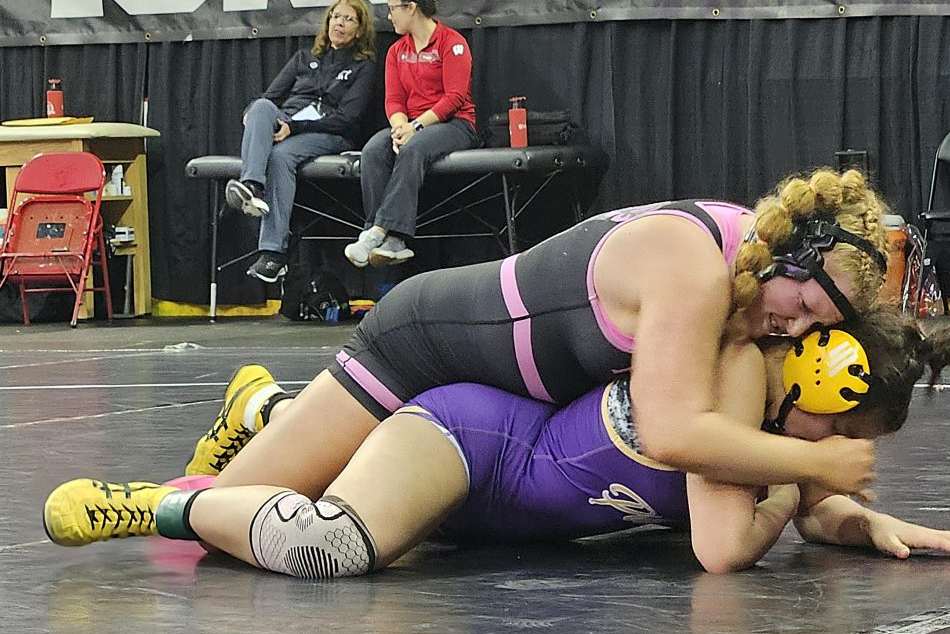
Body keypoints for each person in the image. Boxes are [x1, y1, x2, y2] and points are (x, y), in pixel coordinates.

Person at [43, 308, 950, 577]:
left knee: (342, 514)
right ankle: (150, 505)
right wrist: (806, 484)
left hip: (483, 512)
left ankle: (263, 414)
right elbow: (722, 544)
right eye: (845, 431)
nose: (831, 445)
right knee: (333, 545)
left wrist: (862, 519)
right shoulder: (728, 393)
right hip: (471, 441)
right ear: (826, 380)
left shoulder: (780, 424)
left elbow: (802, 503)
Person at [185, 168, 891, 503]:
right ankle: (168, 483)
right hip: (419, 344)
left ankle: (266, 407)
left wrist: (855, 518)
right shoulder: (696, 271)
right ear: (793, 254)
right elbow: (675, 435)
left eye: (816, 329)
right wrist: (818, 471)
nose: (794, 330)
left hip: (485, 382)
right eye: (803, 307)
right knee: (226, 506)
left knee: (315, 486)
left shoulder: (745, 260)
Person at [223, 0, 377, 283]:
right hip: (287, 122)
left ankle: (273, 253)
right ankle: (252, 185)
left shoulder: (363, 67)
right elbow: (269, 97)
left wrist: (294, 129)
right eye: (336, 16)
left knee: (281, 157)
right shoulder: (305, 58)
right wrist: (253, 114)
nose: (339, 23)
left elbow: (348, 119)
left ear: (360, 30)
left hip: (329, 133)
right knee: (260, 107)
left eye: (348, 19)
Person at [344, 0, 477, 268]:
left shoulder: (452, 43)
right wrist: (399, 126)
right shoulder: (395, 51)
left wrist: (415, 128)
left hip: (454, 125)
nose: (389, 16)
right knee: (373, 150)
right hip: (411, 125)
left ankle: (377, 231)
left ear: (412, 8)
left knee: (413, 148)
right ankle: (393, 241)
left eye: (393, 9)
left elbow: (455, 97)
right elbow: (394, 99)